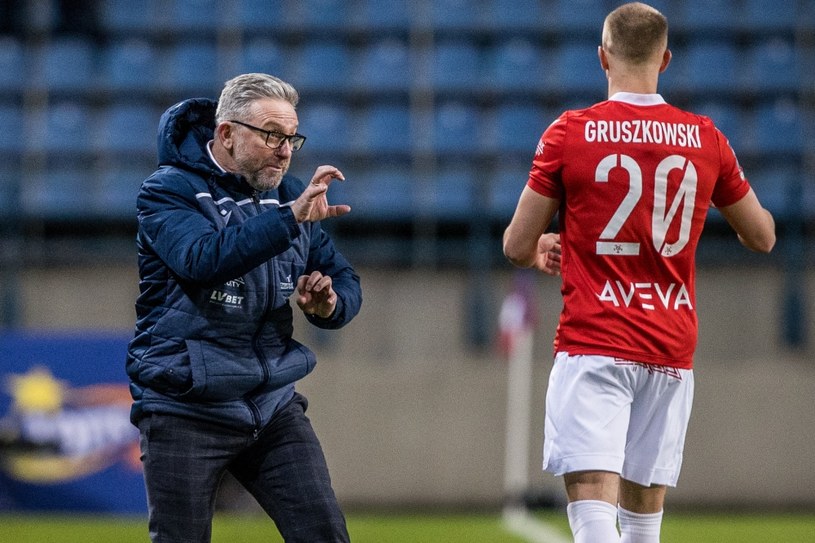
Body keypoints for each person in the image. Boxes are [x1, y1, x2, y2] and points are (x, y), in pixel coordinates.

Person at [503, 3, 775, 542]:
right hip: (670, 346)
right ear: (666, 60)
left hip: (595, 337)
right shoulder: (706, 138)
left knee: (591, 509)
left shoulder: (570, 132)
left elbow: (515, 244)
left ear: (602, 58)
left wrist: (541, 249)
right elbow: (762, 236)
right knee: (645, 524)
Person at [125, 73, 362, 543]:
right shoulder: (166, 191)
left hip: (271, 406)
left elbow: (345, 281)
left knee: (325, 535)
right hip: (184, 405)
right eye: (271, 134)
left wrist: (328, 303)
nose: (285, 149)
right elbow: (202, 260)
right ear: (227, 134)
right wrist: (290, 217)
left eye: (291, 136)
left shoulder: (290, 193)